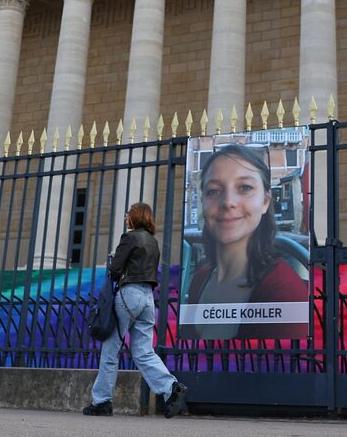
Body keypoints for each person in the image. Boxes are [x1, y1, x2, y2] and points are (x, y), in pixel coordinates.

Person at [183, 144, 308, 340]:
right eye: (214, 191)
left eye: (245, 187)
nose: (228, 202)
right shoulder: (200, 278)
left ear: (266, 202)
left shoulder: (284, 290)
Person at [84, 202, 188, 418]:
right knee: (143, 351)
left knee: (111, 349)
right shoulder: (153, 242)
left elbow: (114, 269)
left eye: (128, 214)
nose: (125, 218)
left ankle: (102, 401)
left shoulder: (130, 237)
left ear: (135, 217)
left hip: (129, 294)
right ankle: (171, 387)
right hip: (148, 298)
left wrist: (114, 261)